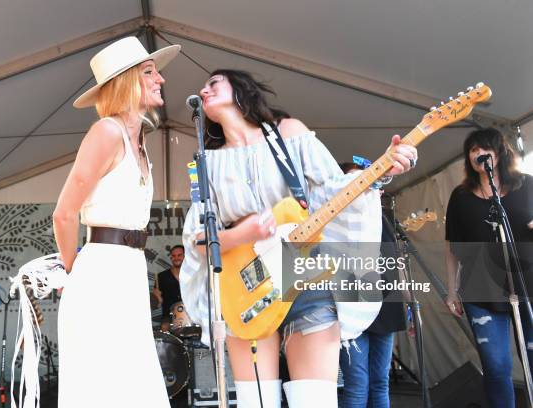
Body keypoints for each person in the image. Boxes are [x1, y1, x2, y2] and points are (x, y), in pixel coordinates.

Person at [179, 69, 417, 408]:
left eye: (213, 83)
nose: (203, 89)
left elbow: (336, 189)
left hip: (304, 279)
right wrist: (243, 233)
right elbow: (199, 240)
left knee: (315, 401)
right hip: (246, 289)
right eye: (202, 86)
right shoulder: (208, 162)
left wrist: (380, 171)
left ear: (241, 89)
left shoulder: (289, 134)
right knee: (256, 402)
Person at [52, 37, 180, 407]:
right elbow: (64, 212)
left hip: (127, 270)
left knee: (132, 387)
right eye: (149, 72)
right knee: (104, 386)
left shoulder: (139, 141)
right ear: (127, 81)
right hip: (101, 270)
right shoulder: (107, 132)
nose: (161, 80)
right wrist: (74, 273)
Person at [445, 127, 533, 408]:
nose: (478, 155)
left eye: (484, 148)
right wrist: (451, 291)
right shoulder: (460, 196)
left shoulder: (527, 185)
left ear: (500, 152)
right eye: (472, 150)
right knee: (496, 368)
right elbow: (453, 247)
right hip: (480, 290)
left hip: (529, 285)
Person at [337, 163, 407, 408]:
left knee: (380, 381)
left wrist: (407, 301)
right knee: (357, 383)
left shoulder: (385, 219)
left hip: (386, 306)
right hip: (351, 305)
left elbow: (394, 264)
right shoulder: (336, 222)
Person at [153, 245, 185, 332]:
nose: (176, 258)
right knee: (164, 327)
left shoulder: (192, 275)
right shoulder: (161, 277)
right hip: (169, 316)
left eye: (179, 255)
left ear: (185, 256)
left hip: (190, 314)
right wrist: (157, 298)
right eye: (173, 256)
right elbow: (157, 304)